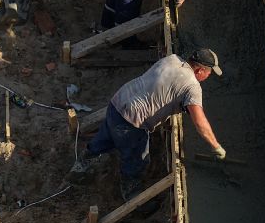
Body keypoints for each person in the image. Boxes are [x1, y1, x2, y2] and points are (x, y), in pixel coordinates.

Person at [80, 50, 224, 197]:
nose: (207, 77)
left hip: (118, 101)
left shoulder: (172, 59)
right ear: (200, 70)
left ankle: (82, 164)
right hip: (133, 121)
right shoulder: (193, 87)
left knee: (107, 135)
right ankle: (130, 192)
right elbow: (200, 122)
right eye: (209, 73)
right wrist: (215, 146)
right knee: (138, 158)